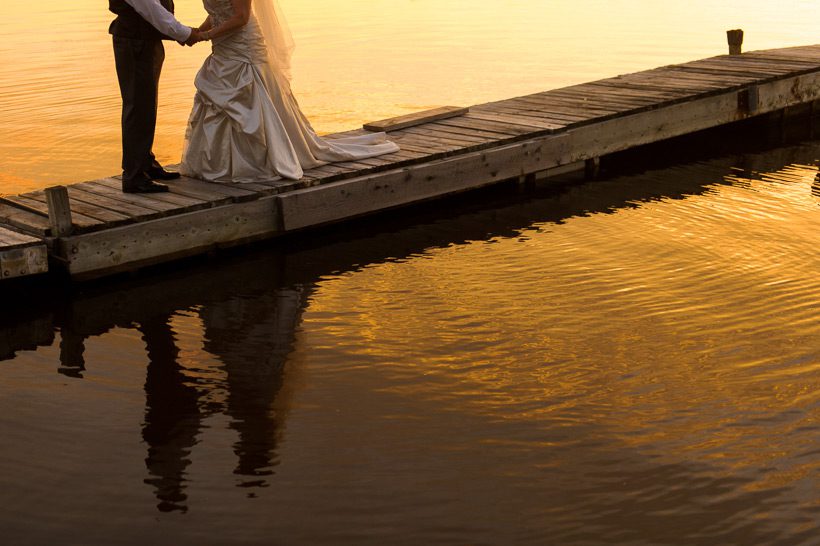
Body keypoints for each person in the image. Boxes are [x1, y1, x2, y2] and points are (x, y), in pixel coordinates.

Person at [180, 0, 399, 183]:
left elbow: (241, 17)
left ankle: (257, 159)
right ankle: (219, 161)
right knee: (220, 99)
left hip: (242, 44)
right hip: (224, 45)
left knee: (250, 96)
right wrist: (200, 30)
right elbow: (217, 12)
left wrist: (206, 35)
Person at [109, 0, 202, 193]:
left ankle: (145, 163)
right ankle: (134, 176)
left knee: (146, 104)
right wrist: (184, 33)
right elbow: (150, 8)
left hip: (144, 40)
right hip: (135, 42)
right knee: (137, 106)